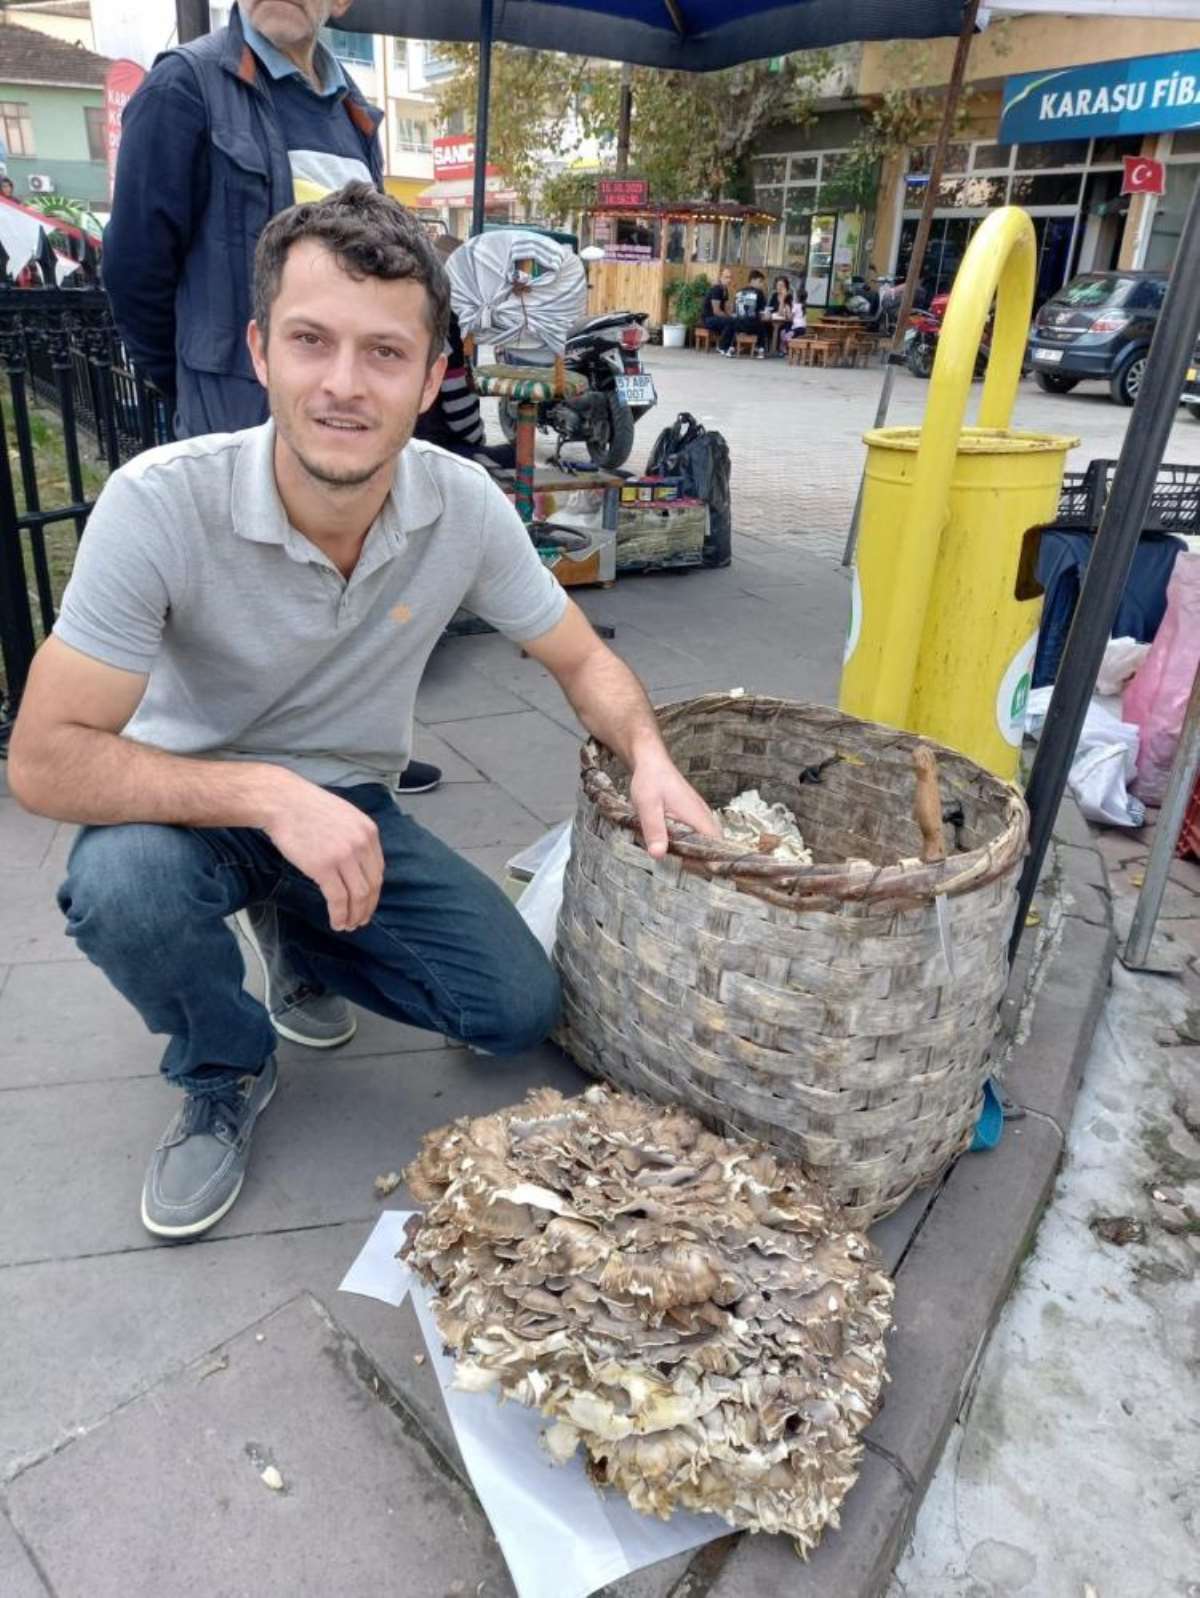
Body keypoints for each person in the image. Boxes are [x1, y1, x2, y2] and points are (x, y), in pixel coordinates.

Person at [7, 184, 719, 1244]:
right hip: (187, 806)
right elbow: (43, 762)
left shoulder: (461, 504)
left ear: (433, 375)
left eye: (385, 353)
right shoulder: (161, 502)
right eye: (311, 341)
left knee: (513, 1013)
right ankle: (223, 1065)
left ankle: (299, 927)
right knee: (121, 888)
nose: (344, 385)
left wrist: (651, 752)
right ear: (259, 350)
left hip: (351, 803)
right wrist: (266, 794)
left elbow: (579, 656)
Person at [719, 269, 769, 358]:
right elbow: (762, 312)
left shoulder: (739, 292)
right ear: (753, 280)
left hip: (737, 324)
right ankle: (760, 350)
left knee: (739, 327)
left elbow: (735, 310)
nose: (761, 285)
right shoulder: (759, 293)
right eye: (760, 282)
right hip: (752, 325)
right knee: (762, 326)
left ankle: (731, 348)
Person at [700, 267, 734, 345]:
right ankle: (723, 346)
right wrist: (729, 317)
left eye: (730, 277)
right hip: (707, 319)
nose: (729, 280)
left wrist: (731, 315)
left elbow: (726, 309)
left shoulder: (725, 290)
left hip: (716, 318)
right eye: (726, 277)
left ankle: (728, 345)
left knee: (734, 321)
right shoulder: (717, 289)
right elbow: (716, 311)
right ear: (720, 277)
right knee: (730, 322)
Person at [766, 275, 793, 357]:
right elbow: (770, 308)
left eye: (782, 285)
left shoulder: (789, 297)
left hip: (785, 322)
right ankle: (767, 349)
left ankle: (777, 350)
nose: (779, 287)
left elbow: (782, 313)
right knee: (764, 326)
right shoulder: (774, 295)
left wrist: (782, 299)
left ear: (786, 287)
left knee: (779, 328)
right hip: (773, 320)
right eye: (778, 285)